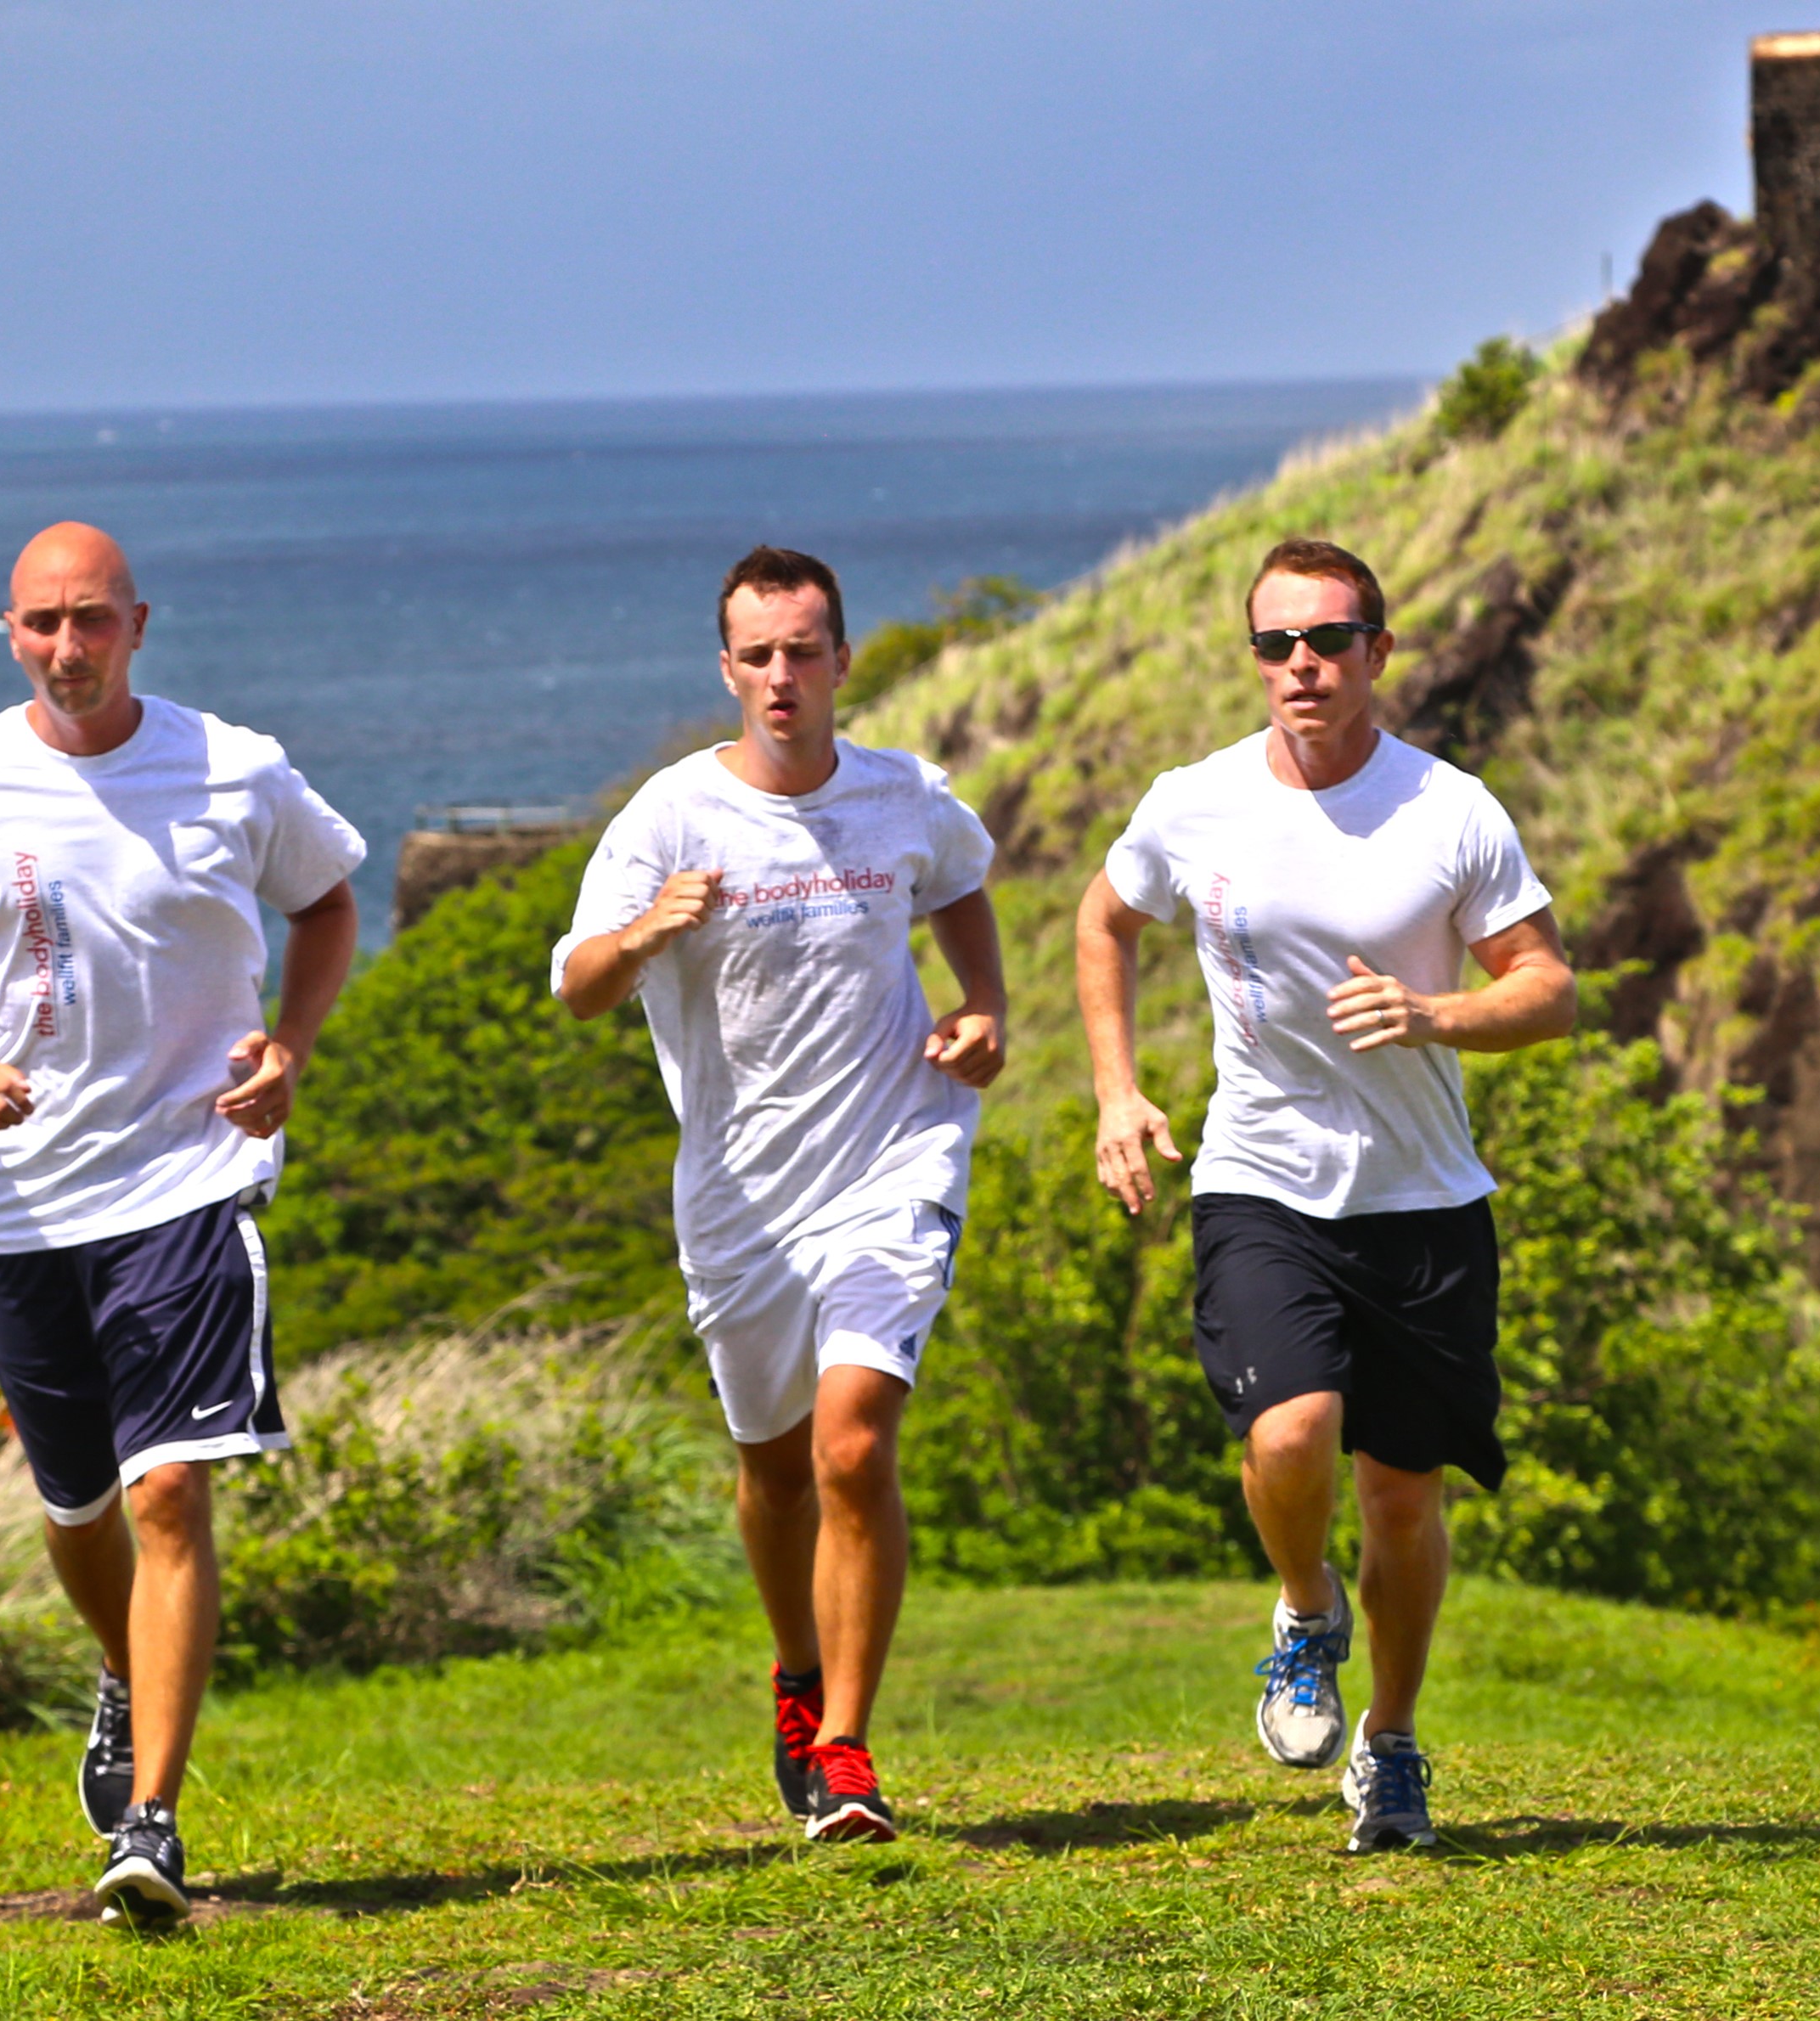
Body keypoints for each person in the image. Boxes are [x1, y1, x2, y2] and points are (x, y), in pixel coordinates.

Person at [0, 521, 365, 1926]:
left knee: (171, 1491)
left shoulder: (235, 766)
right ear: (7, 631)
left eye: (91, 621)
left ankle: (151, 1821)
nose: (67, 649)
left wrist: (293, 1046)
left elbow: (325, 904)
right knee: (76, 1510)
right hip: (19, 1206)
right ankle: (127, 1675)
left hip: (192, 1181)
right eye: (40, 625)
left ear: (140, 624)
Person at [1074, 536, 1573, 1854]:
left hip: (1423, 1198)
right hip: (1260, 1179)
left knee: (1405, 1497)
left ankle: (1393, 1742)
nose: (1302, 665)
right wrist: (1119, 1094)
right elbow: (1103, 921)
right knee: (1291, 1434)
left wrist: (1435, 1012)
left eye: (1330, 640)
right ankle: (1305, 1612)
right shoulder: (1196, 802)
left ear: (1378, 653)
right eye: (1276, 643)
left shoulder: (1450, 810)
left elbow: (1548, 987)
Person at [555, 545, 1006, 1844]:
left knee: (853, 1440)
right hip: (743, 1196)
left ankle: (851, 1748)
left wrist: (985, 1011)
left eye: (805, 650)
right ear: (727, 671)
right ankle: (798, 1673)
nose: (782, 676)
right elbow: (579, 985)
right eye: (758, 655)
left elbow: (963, 879)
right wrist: (646, 933)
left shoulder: (902, 796)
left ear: (843, 661)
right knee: (772, 1469)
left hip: (894, 1157)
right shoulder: (670, 820)